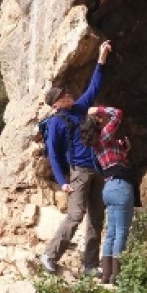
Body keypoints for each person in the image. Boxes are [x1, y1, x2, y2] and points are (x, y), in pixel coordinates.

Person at [39, 39, 112, 276]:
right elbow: (53, 155)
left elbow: (94, 87)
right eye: (63, 95)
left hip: (97, 168)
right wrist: (62, 182)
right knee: (75, 215)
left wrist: (101, 58)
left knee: (96, 218)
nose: (68, 95)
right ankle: (49, 255)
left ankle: (90, 265)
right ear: (56, 104)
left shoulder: (79, 109)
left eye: (66, 93)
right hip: (78, 171)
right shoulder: (57, 123)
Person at [80, 105, 135, 284]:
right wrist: (99, 109)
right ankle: (116, 276)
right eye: (100, 119)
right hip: (120, 187)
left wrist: (124, 152)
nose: (104, 119)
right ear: (97, 123)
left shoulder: (97, 144)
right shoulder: (105, 135)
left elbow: (114, 161)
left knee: (111, 232)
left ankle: (106, 275)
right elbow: (118, 113)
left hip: (109, 187)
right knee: (121, 232)